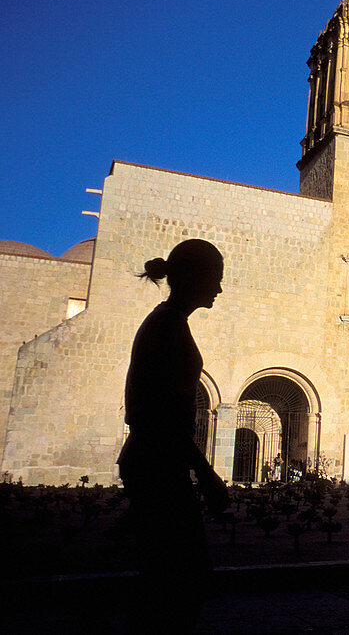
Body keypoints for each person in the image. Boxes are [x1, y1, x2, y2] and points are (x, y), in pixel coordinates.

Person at [116, 239, 230, 633]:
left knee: (167, 577)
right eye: (215, 278)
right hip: (157, 462)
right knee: (185, 578)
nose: (218, 288)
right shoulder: (167, 327)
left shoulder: (166, 322)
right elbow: (163, 417)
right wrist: (208, 475)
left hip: (153, 461)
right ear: (195, 278)